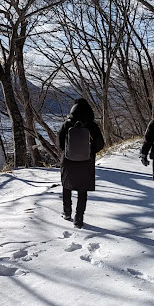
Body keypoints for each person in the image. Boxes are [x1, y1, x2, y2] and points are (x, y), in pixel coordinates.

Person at [58, 98, 105, 228]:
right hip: (86, 162)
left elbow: (60, 142)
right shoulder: (91, 125)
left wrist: (67, 152)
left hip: (68, 161)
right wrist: (90, 152)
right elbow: (100, 143)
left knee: (66, 185)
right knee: (82, 190)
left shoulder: (66, 124)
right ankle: (79, 219)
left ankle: (67, 212)